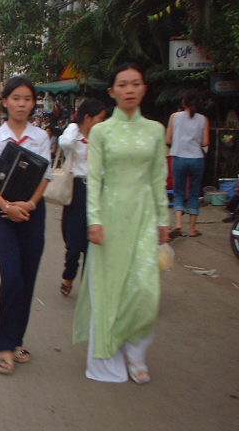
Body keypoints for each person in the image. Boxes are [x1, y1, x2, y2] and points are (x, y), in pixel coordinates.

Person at [73, 63, 170, 384]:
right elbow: (95, 178)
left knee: (145, 289)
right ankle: (110, 353)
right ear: (112, 91)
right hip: (110, 216)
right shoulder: (101, 132)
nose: (129, 90)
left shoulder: (155, 130)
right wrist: (95, 221)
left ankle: (136, 350)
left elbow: (159, 177)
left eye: (135, 83)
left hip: (143, 216)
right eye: (122, 84)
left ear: (144, 88)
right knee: (110, 288)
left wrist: (163, 219)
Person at [0, 76, 51, 375]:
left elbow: (46, 175)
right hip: (3, 213)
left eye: (27, 99)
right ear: (4, 101)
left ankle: (17, 339)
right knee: (11, 278)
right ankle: (5, 345)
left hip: (33, 212)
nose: (22, 104)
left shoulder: (41, 137)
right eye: (16, 98)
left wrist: (30, 204)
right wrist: (6, 206)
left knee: (28, 277)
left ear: (33, 103)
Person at [57, 98, 107, 297]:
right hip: (76, 190)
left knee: (92, 242)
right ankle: (68, 275)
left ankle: (88, 285)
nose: (103, 123)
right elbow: (64, 143)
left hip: (98, 189)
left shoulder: (103, 136)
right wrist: (79, 131)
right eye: (100, 118)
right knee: (73, 241)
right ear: (88, 117)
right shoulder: (73, 131)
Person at [166, 90, 209, 238]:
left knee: (179, 191)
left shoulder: (174, 117)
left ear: (183, 102)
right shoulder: (203, 119)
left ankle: (178, 223)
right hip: (197, 159)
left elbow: (168, 140)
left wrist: (180, 141)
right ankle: (192, 229)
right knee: (194, 193)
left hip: (178, 157)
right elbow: (205, 142)